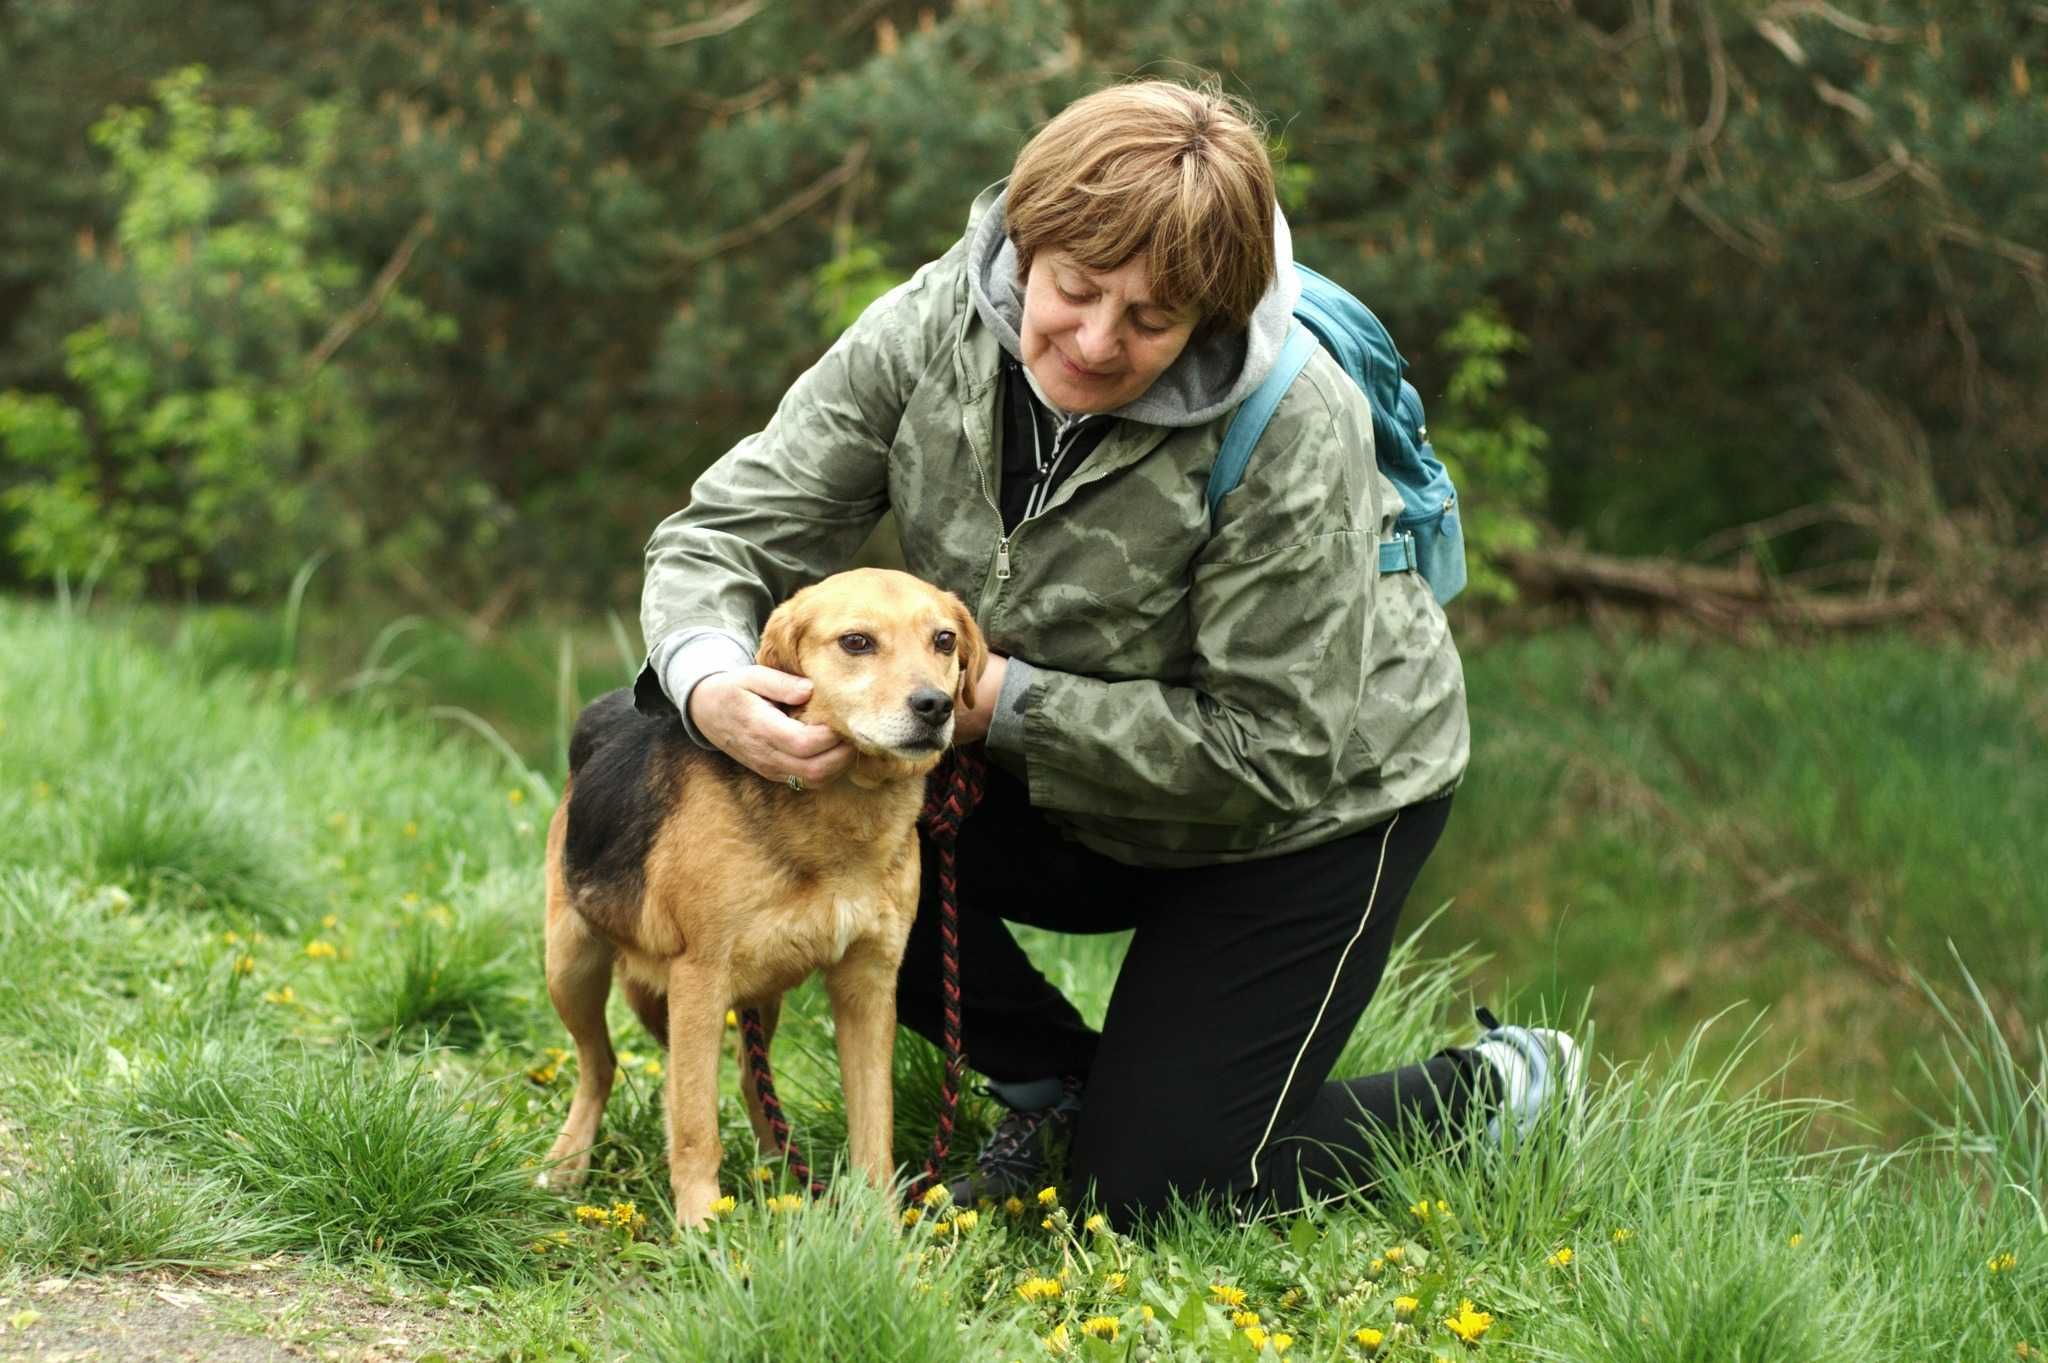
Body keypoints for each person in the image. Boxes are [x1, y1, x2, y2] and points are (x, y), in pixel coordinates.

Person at [634, 78, 1582, 1228]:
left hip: (1299, 814)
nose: (1091, 340)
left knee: (1154, 1191)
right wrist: (708, 681)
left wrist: (1004, 706)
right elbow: (726, 535)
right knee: (694, 756)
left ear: (1213, 316)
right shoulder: (932, 323)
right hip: (1041, 766)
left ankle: (1492, 1091)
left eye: (1148, 321)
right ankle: (1055, 1080)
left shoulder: (1291, 425)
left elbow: (1272, 752)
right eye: (1073, 291)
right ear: (1025, 246)